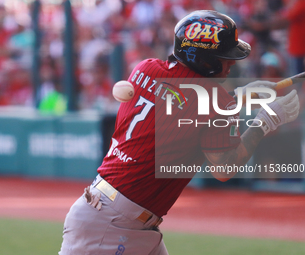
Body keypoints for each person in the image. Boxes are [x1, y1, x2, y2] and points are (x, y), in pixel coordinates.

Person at [59, 10, 300, 254]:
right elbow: (224, 168)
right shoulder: (215, 101)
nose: (231, 63)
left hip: (112, 215)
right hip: (112, 226)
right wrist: (266, 121)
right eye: (224, 57)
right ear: (204, 59)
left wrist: (237, 97)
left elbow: (184, 106)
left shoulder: (146, 67)